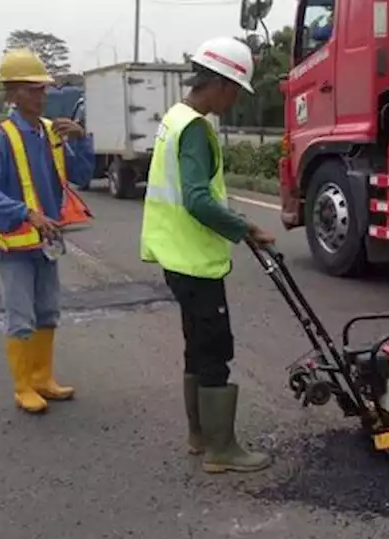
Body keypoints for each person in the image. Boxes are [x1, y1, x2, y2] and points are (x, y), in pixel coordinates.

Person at [140, 36, 276, 474]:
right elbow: (198, 199)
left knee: (196, 347)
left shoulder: (175, 118)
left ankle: (200, 435)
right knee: (215, 348)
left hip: (176, 257)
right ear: (216, 83)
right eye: (235, 88)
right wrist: (244, 227)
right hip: (194, 261)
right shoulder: (195, 129)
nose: (235, 98)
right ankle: (222, 449)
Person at [0, 48, 95, 414]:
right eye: (31, 89)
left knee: (47, 312)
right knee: (21, 316)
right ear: (12, 94)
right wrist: (26, 212)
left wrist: (79, 139)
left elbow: (82, 177)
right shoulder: (2, 136)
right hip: (14, 243)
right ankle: (23, 386)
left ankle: (43, 379)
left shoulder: (50, 131)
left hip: (46, 241)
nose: (40, 96)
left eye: (42, 89)